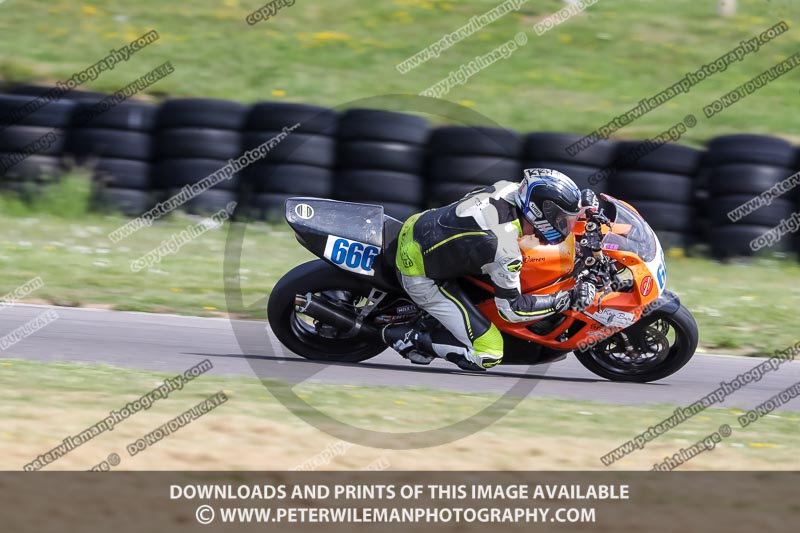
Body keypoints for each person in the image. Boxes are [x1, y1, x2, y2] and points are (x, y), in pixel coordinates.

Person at [381, 168, 598, 371]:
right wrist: (566, 299)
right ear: (540, 212)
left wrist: (582, 208)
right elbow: (513, 310)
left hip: (421, 224)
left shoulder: (510, 189)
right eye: (561, 219)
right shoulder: (504, 248)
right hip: (418, 271)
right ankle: (410, 338)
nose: (565, 225)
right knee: (489, 352)